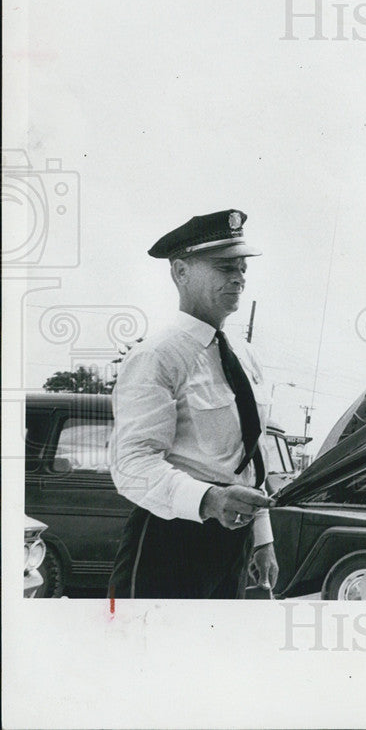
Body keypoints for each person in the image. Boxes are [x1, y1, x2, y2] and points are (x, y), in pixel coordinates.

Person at [109, 209, 278, 599]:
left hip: (233, 541)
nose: (238, 278)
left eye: (242, 268)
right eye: (224, 267)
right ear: (180, 272)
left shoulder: (246, 357)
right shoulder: (158, 356)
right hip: (169, 539)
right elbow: (131, 465)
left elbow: (252, 455)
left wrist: (263, 536)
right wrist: (210, 500)